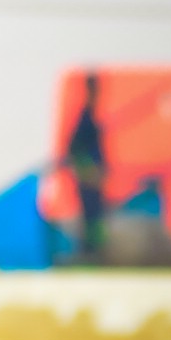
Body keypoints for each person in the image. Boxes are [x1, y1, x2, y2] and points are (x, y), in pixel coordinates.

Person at [65, 72, 108, 262]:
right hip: (88, 180)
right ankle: (89, 253)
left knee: (96, 215)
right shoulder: (86, 117)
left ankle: (95, 251)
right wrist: (88, 170)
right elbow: (74, 149)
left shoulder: (92, 116)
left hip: (94, 179)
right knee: (90, 216)